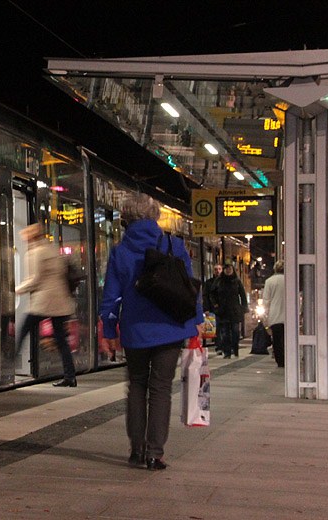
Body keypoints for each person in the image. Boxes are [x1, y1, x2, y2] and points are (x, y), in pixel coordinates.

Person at [99, 194, 201, 471]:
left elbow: (111, 297)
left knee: (137, 386)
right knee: (160, 388)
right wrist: (197, 322)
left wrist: (109, 329)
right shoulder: (173, 244)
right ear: (155, 216)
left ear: (127, 218)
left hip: (135, 330)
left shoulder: (120, 251)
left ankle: (136, 450)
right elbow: (190, 287)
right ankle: (155, 453)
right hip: (170, 327)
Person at [15, 223, 77, 388]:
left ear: (30, 237)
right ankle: (70, 376)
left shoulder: (35, 252)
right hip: (61, 302)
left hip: (44, 301)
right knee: (62, 341)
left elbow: (34, 279)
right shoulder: (51, 249)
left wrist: (17, 290)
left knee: (23, 330)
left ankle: (9, 364)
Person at [209, 262, 248, 358]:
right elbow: (212, 293)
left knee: (235, 331)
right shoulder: (219, 281)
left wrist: (244, 307)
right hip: (223, 311)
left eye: (230, 269)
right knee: (225, 332)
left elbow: (242, 295)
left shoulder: (237, 281)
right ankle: (227, 352)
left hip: (235, 310)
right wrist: (215, 305)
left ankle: (235, 349)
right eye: (226, 269)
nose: (228, 271)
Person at [262, 260, 285, 367]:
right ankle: (287, 358)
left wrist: (264, 316)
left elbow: (266, 300)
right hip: (288, 315)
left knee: (276, 339)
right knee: (286, 339)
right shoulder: (290, 279)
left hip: (275, 314)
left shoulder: (269, 281)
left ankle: (280, 360)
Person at [204, 263, 223, 353]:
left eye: (219, 269)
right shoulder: (209, 283)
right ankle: (219, 346)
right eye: (216, 269)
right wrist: (206, 308)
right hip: (214, 309)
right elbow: (205, 296)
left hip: (225, 309)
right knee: (217, 328)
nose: (217, 271)